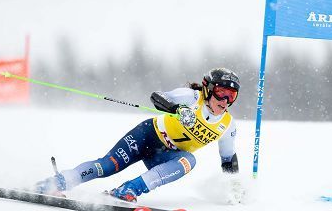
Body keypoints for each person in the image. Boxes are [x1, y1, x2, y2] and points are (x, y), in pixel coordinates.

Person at [34, 67, 241, 203]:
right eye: (221, 92)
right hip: (147, 136)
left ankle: (127, 190)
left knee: (189, 160)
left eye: (232, 96)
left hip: (165, 156)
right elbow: (157, 97)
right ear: (207, 89)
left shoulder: (227, 125)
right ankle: (54, 183)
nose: (225, 101)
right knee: (107, 166)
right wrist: (178, 108)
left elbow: (228, 160)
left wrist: (233, 188)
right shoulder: (191, 97)